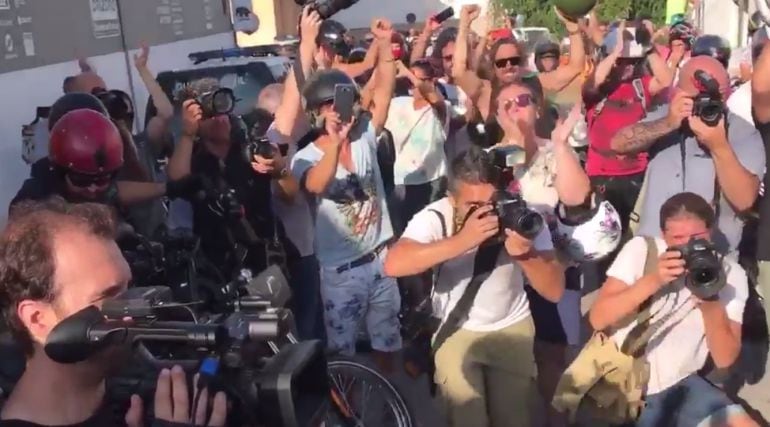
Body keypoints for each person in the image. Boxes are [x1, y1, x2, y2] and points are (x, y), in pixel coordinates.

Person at [0, 198, 226, 426]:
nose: (132, 312)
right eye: (108, 298)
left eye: (128, 290)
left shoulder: (137, 383)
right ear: (37, 319)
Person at [383, 146, 565, 427]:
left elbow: (554, 290)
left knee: (514, 418)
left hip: (512, 328)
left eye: (491, 203)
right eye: (472, 207)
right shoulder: (436, 216)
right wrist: (462, 241)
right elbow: (394, 264)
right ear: (451, 199)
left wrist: (525, 256)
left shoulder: (520, 215)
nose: (487, 215)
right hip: (455, 330)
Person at [588, 192, 755, 427]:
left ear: (711, 231)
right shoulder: (642, 250)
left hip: (681, 383)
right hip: (622, 380)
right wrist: (655, 279)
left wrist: (710, 302)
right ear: (664, 236)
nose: (689, 245)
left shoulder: (730, 273)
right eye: (678, 237)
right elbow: (598, 318)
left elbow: (725, 359)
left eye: (697, 236)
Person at [290, 18, 399, 369]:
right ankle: (349, 414)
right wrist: (335, 144)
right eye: (330, 104)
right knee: (343, 355)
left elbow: (383, 92)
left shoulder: (365, 134)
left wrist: (383, 44)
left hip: (381, 258)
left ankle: (389, 407)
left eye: (344, 100)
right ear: (317, 112)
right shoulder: (306, 156)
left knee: (387, 344)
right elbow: (314, 185)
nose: (339, 110)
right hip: (341, 271)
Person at [611, 56, 764, 256]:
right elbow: (618, 144)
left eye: (713, 98)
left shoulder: (742, 133)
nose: (703, 104)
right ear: (678, 92)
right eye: (695, 98)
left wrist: (719, 146)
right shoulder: (666, 117)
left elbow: (744, 201)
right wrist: (668, 124)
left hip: (712, 255)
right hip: (655, 252)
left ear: (726, 95)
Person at [167, 77, 298, 280]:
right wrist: (186, 134)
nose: (220, 119)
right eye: (210, 114)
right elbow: (176, 182)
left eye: (223, 109)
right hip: (219, 269)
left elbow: (290, 195)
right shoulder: (193, 160)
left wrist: (280, 171)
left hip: (267, 263)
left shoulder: (251, 150)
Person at [12, 99, 194, 214]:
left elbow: (115, 192)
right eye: (80, 180)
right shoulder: (34, 197)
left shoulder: (107, 184)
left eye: (102, 179)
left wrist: (170, 188)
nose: (92, 189)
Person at [452, 4, 586, 125]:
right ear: (493, 66)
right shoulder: (485, 92)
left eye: (514, 60)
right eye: (502, 62)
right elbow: (458, 72)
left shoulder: (536, 85)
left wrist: (573, 28)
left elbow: (575, 67)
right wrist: (464, 26)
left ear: (521, 62)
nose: (509, 65)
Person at [386, 59, 449, 234]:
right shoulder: (398, 104)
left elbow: (435, 99)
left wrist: (407, 73)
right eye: (408, 82)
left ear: (431, 81)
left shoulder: (439, 109)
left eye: (417, 81)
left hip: (431, 182)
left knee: (430, 232)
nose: (412, 86)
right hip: (401, 182)